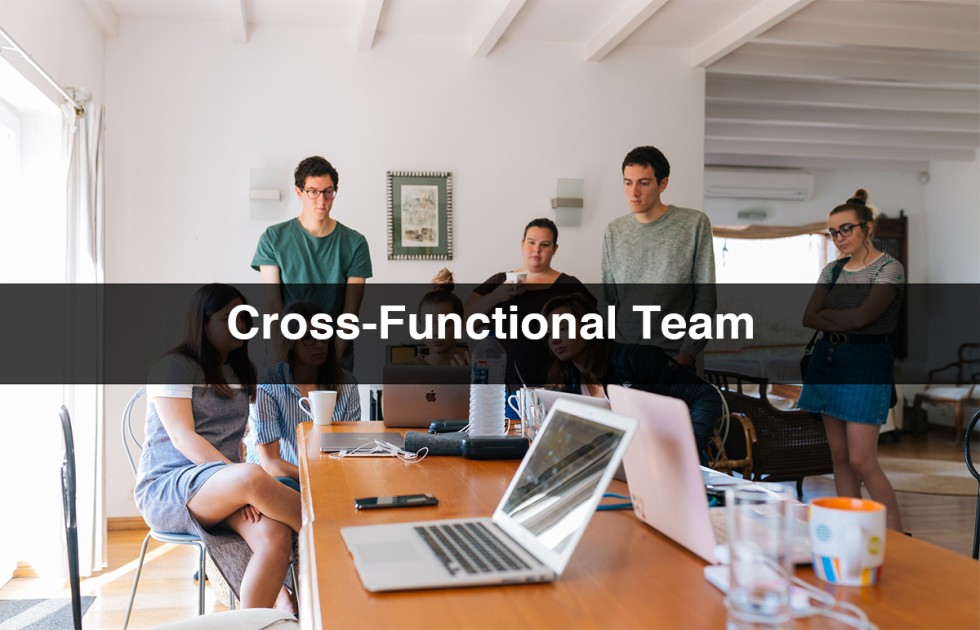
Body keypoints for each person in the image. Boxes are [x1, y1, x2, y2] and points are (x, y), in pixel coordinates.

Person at [135, 284, 300, 611]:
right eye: (228, 318)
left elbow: (235, 440)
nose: (239, 324)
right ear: (203, 322)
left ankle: (253, 621)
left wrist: (238, 486)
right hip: (170, 487)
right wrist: (240, 482)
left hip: (224, 488)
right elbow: (183, 437)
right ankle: (332, 531)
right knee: (253, 476)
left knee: (276, 535)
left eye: (243, 317)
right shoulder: (176, 365)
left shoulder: (242, 371)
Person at [798, 189, 904, 531]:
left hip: (866, 363)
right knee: (840, 457)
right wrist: (844, 318)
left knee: (861, 459)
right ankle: (851, 530)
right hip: (827, 360)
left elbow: (862, 319)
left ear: (868, 228)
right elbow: (809, 317)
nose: (839, 237)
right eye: (833, 232)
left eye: (846, 229)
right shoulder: (832, 269)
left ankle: (897, 537)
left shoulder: (889, 268)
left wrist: (830, 315)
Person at [541, 293, 721, 456]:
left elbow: (706, 394)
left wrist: (688, 447)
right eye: (549, 334)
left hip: (664, 461)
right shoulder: (567, 379)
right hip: (615, 465)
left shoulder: (636, 359)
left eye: (563, 328)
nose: (554, 339)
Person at [252, 156, 372, 369]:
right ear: (299, 192)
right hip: (286, 350)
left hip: (335, 352)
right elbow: (273, 306)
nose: (321, 200)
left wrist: (331, 363)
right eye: (313, 191)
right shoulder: (273, 238)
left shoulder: (355, 243)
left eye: (328, 191)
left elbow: (350, 313)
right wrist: (280, 360)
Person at [601, 146, 716, 369]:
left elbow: (706, 297)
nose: (634, 192)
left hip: (673, 357)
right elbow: (607, 299)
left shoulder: (693, 224)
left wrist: (688, 352)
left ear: (662, 184)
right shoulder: (614, 230)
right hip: (623, 356)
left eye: (643, 183)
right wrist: (608, 351)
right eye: (628, 182)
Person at [465, 218, 594, 387]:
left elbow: (597, 328)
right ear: (522, 244)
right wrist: (497, 295)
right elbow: (463, 322)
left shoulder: (568, 285)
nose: (536, 250)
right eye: (531, 242)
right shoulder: (499, 281)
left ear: (554, 249)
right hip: (503, 385)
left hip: (559, 383)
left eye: (545, 244)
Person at [246, 301, 361, 491]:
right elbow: (271, 464)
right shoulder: (267, 386)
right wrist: (316, 477)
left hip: (329, 476)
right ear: (291, 342)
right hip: (280, 479)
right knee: (287, 485)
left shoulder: (347, 383)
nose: (319, 344)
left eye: (323, 334)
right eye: (308, 338)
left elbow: (349, 449)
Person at [405, 268, 468, 366]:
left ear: (460, 326)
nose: (435, 332)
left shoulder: (475, 369)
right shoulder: (403, 370)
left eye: (445, 324)